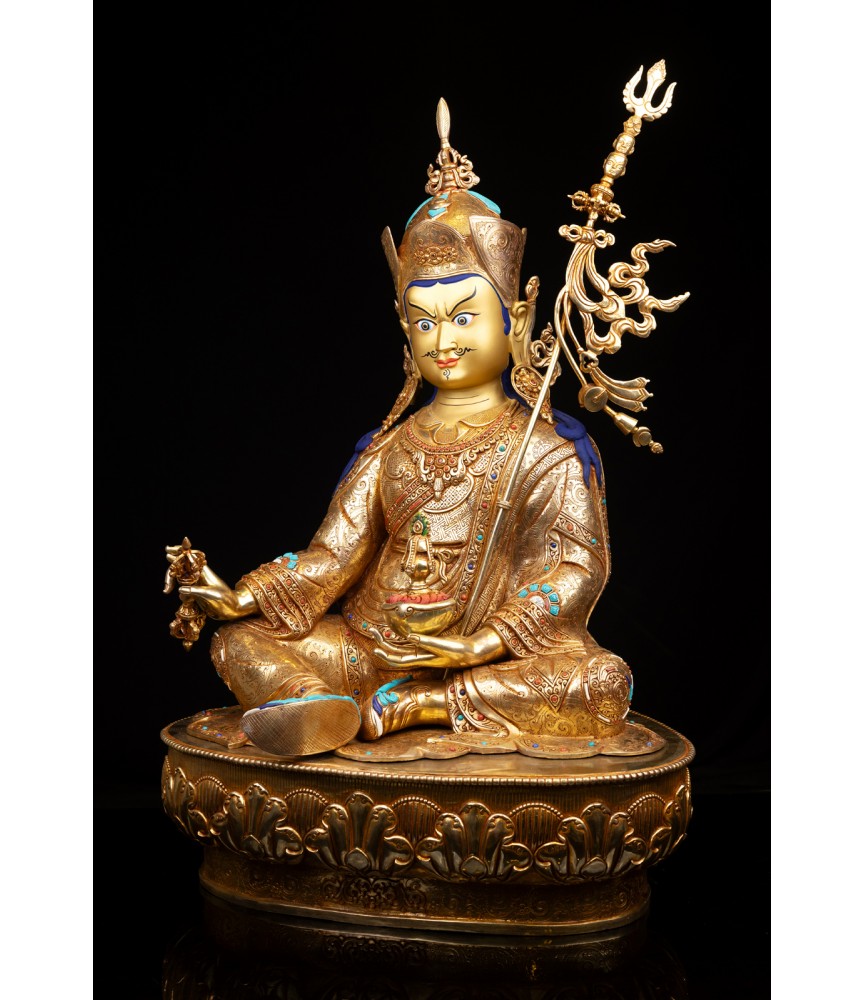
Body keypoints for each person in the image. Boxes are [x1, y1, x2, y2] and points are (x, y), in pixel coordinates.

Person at [165, 102, 636, 758]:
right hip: (370, 651)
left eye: (464, 318)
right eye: (424, 321)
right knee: (239, 642)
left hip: (487, 663)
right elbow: (332, 558)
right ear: (403, 329)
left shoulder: (546, 451)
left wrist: (480, 644)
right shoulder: (389, 447)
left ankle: (429, 705)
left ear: (518, 319)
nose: (442, 339)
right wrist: (240, 597)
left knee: (601, 682)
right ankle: (312, 702)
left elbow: (574, 571)